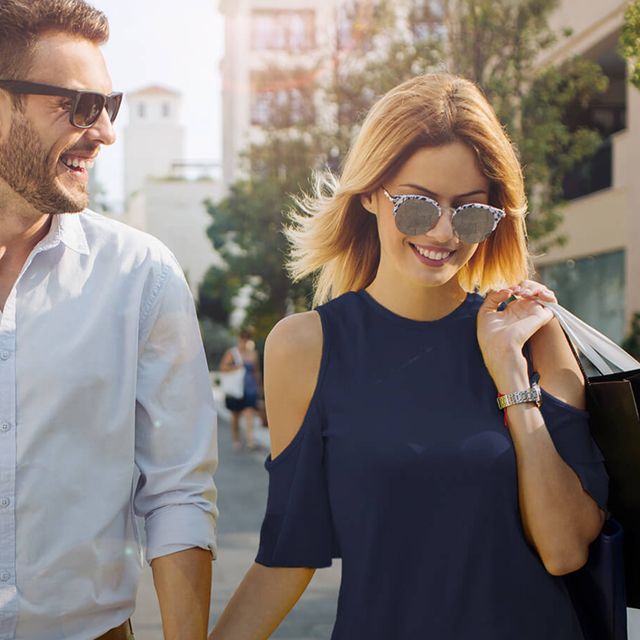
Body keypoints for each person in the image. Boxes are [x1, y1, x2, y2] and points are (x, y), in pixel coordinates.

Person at [211, 73, 608, 639]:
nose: (443, 233)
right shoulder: (305, 347)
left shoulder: (532, 335)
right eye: (419, 206)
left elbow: (565, 549)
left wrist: (513, 383)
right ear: (371, 193)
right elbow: (288, 553)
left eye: (470, 213)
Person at [0, 2, 218, 639]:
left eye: (109, 106)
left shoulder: (142, 276)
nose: (104, 132)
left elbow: (177, 494)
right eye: (77, 105)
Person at [219, 328, 263, 451]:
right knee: (236, 415)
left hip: (249, 388)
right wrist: (237, 366)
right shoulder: (232, 353)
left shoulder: (253, 354)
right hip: (236, 389)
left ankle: (250, 440)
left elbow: (256, 372)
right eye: (243, 338)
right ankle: (236, 439)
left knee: (249, 413)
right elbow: (223, 367)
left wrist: (259, 387)